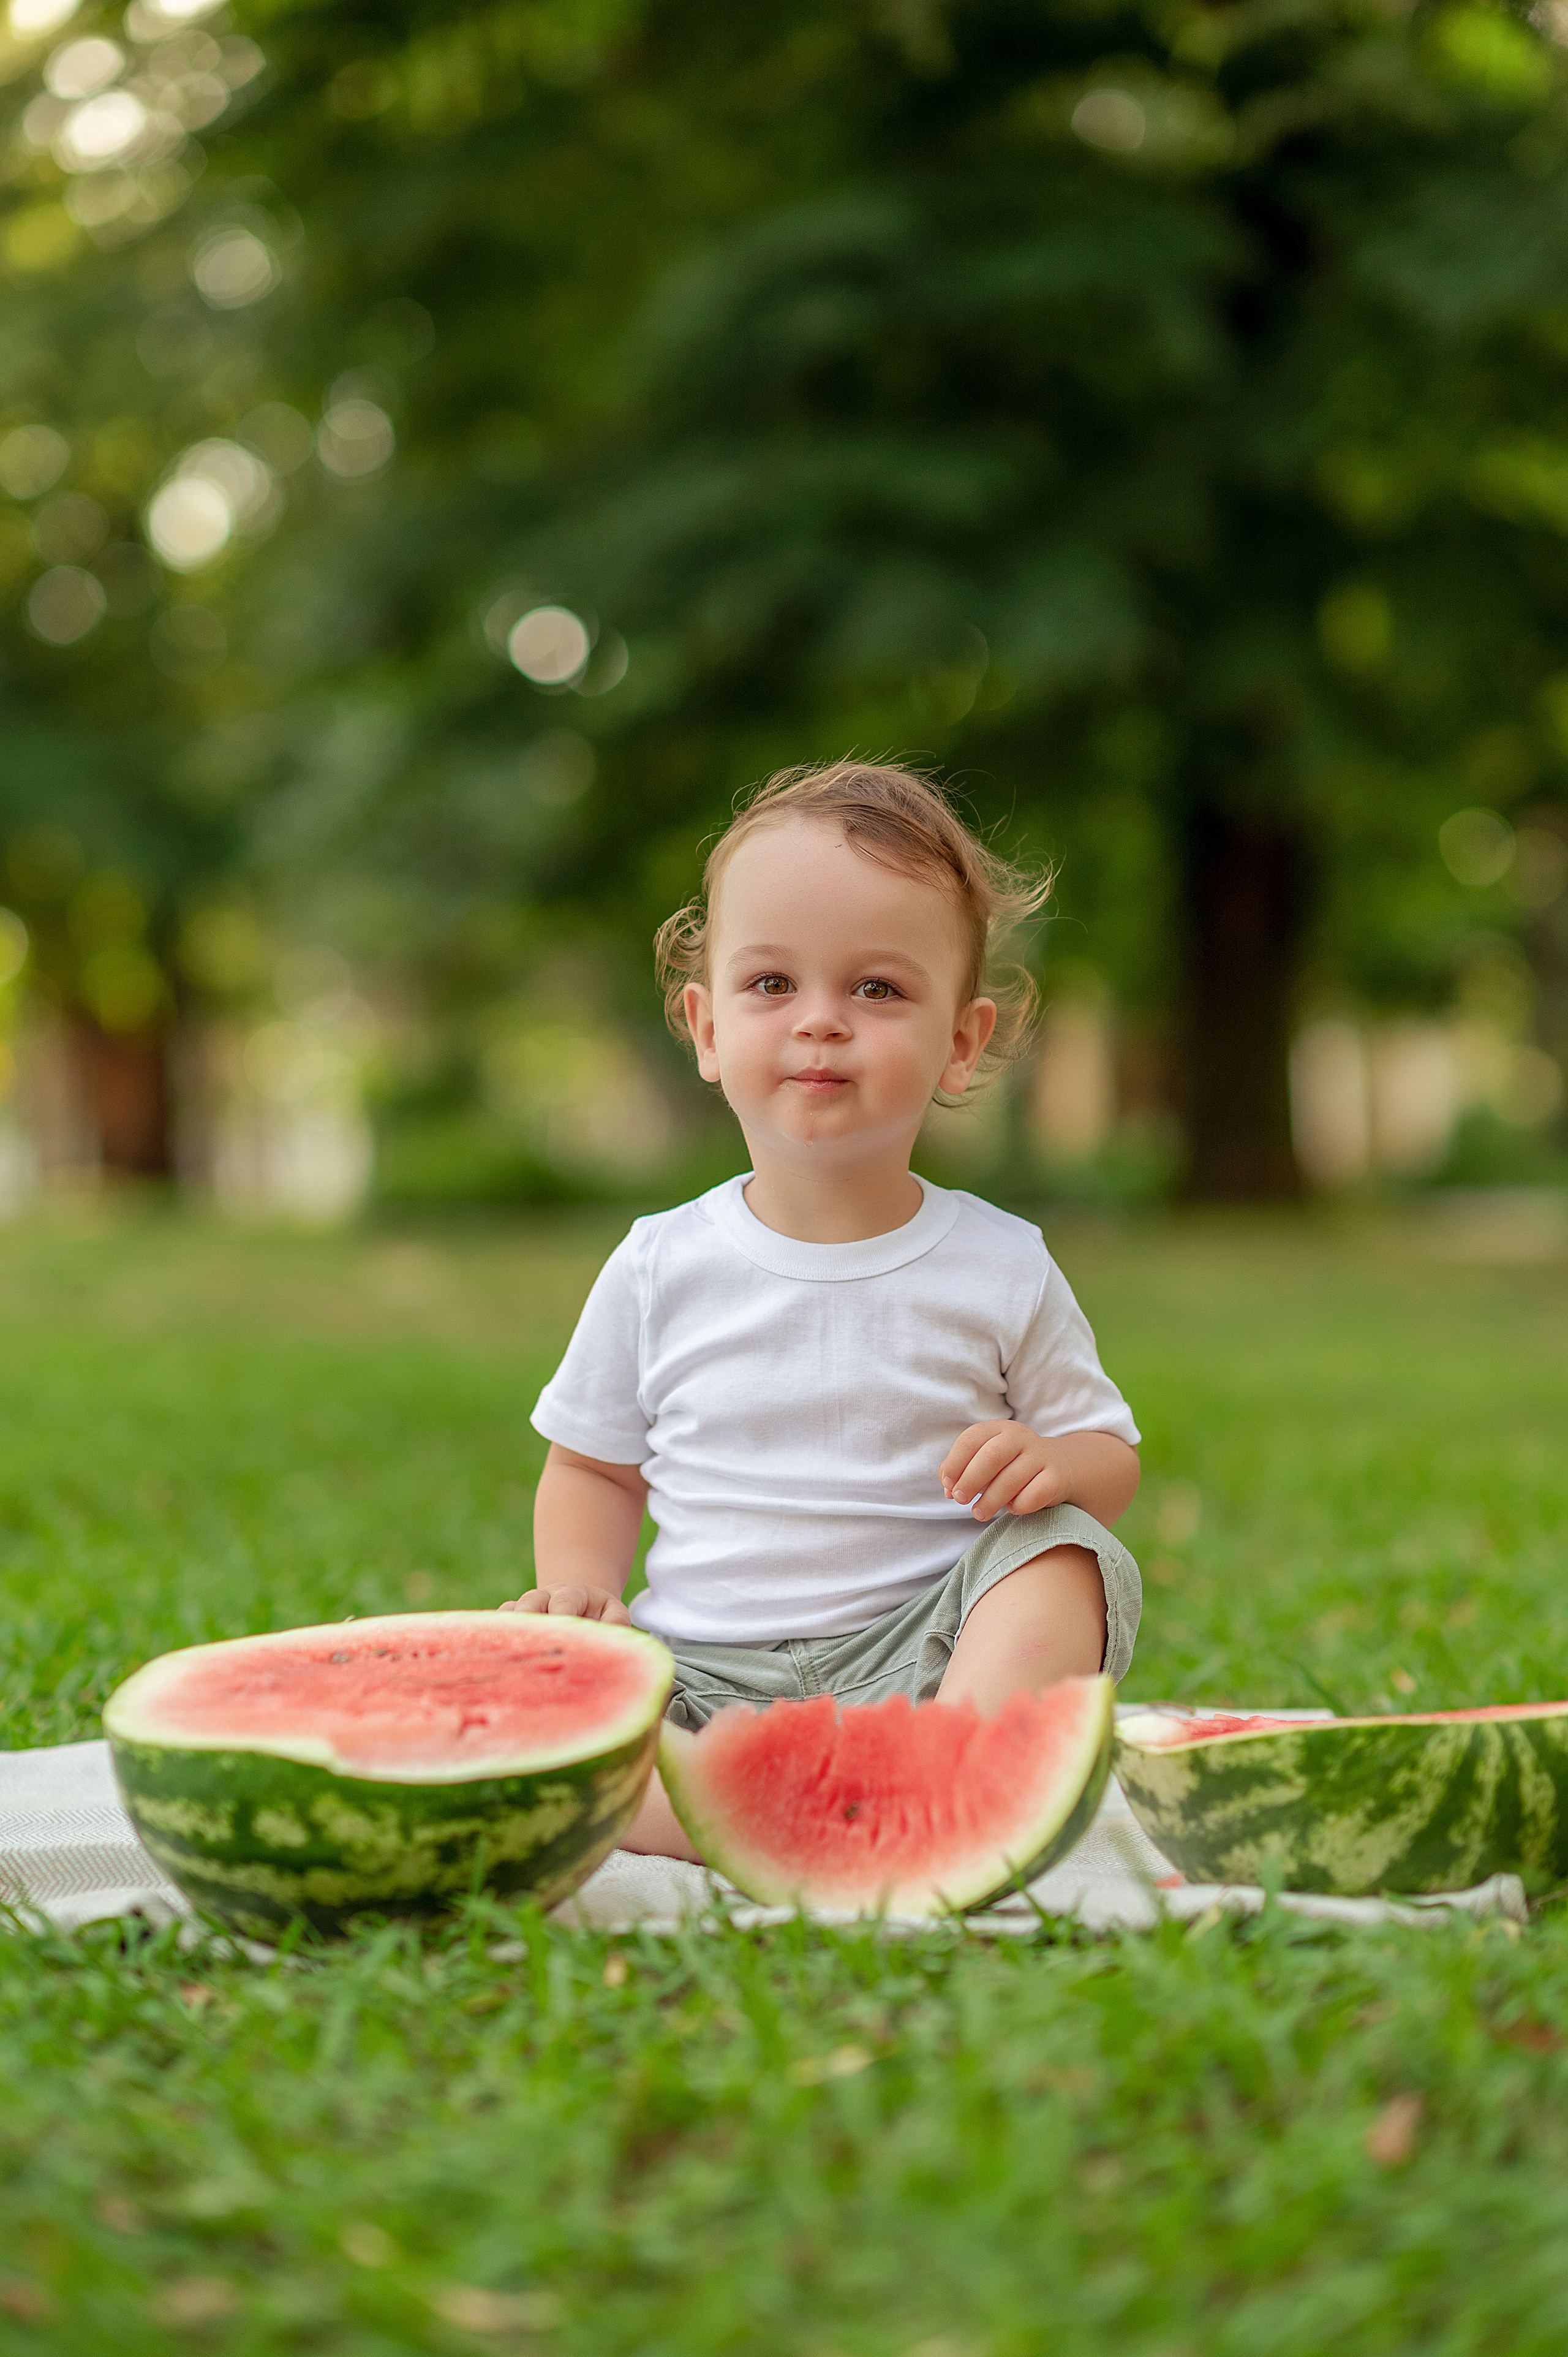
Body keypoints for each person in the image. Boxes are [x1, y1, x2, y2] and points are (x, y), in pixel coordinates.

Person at [500, 759, 1140, 1859]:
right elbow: (593, 1469)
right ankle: (702, 1804)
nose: (821, 1024)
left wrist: (1054, 1464)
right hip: (701, 1673)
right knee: (535, 1675)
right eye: (772, 986)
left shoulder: (1002, 1264)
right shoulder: (662, 1265)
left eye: (878, 990)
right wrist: (582, 1589)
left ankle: (952, 1779)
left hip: (931, 1658)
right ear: (705, 1028)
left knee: (1069, 1555)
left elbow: (1110, 1458)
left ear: (961, 1040)